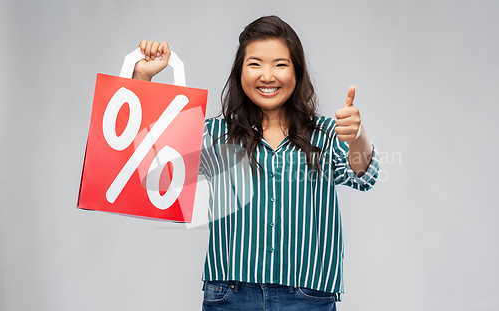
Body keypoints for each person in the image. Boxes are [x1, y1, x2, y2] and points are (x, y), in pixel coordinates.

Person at [132, 15, 379, 311]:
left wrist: (357, 136)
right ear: (240, 73)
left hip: (308, 298)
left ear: (297, 72)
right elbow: (150, 159)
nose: (267, 75)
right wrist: (143, 78)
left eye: (280, 64)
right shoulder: (213, 134)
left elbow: (364, 176)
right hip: (231, 295)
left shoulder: (326, 134)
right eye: (255, 63)